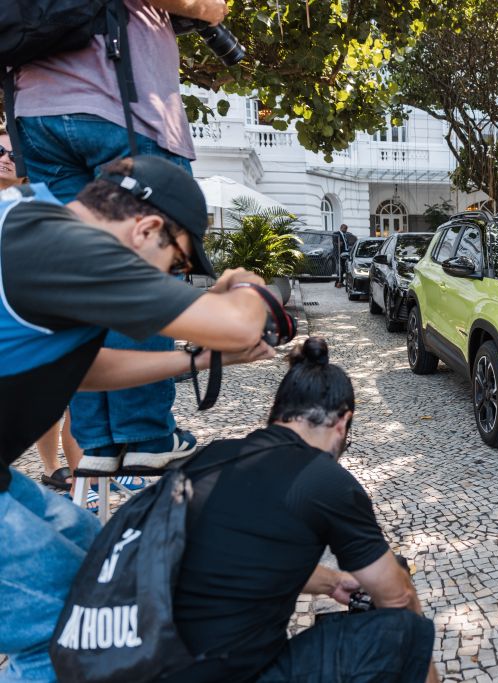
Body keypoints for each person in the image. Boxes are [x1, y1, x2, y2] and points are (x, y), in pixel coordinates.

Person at [0, 156, 274, 681]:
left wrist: (195, 360)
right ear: (147, 229)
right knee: (70, 631)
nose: (169, 280)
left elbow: (80, 369)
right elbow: (240, 326)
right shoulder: (65, 246)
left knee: (96, 553)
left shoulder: (35, 222)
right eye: (175, 265)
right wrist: (249, 285)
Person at [11, 0, 230, 477]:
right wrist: (209, 10)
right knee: (143, 269)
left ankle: (97, 441)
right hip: (121, 103)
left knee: (76, 280)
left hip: (36, 114)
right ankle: (146, 435)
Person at [167, 338, 439, 683]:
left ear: (278, 411)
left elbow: (243, 562)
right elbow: (397, 597)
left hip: (154, 658)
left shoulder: (213, 456)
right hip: (232, 672)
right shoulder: (325, 480)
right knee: (409, 632)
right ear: (342, 422)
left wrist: (333, 582)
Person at [0, 127, 87, 495]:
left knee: (68, 396)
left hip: (40, 308)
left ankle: (81, 480)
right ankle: (52, 467)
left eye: (12, 153)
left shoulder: (40, 202)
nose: (5, 158)